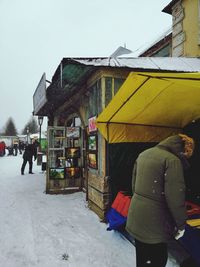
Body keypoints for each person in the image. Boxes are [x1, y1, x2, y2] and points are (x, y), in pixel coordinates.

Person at [126, 134, 195, 267]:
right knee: (157, 260)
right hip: (155, 224)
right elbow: (175, 197)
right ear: (182, 149)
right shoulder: (172, 160)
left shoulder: (144, 154)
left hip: (137, 217)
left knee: (143, 260)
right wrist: (181, 224)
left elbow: (134, 186)